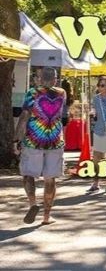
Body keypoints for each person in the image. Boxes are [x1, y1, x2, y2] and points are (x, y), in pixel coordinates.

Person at [14, 67, 66, 225]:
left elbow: (24, 116)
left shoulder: (33, 92)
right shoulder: (62, 93)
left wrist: (16, 140)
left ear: (40, 79)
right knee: (50, 179)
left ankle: (33, 204)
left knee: (28, 174)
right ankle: (46, 217)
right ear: (55, 79)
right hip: (55, 141)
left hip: (33, 141)